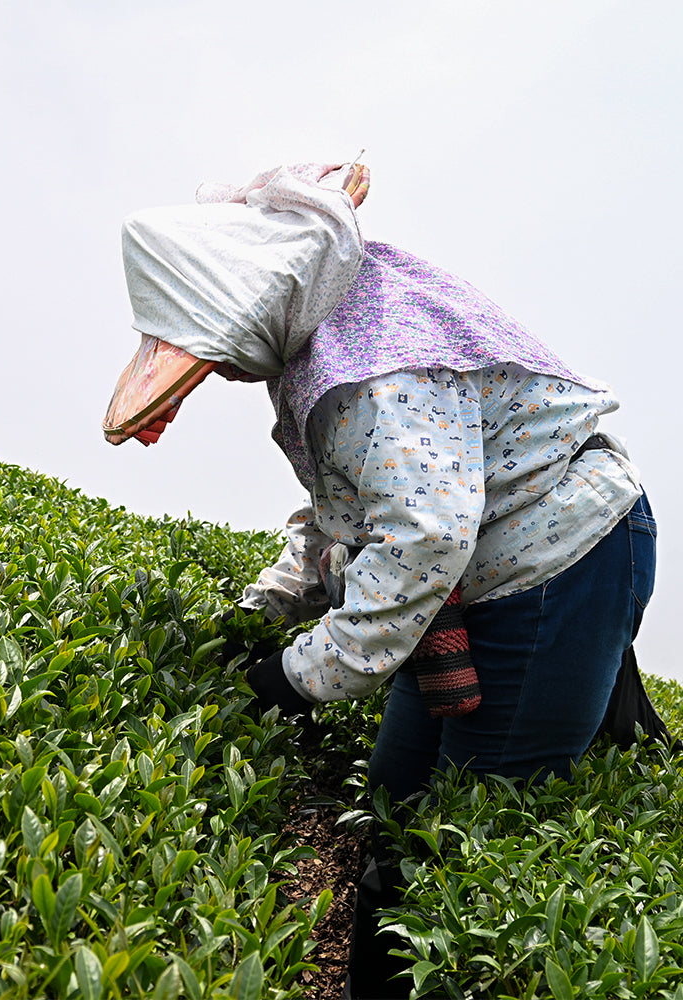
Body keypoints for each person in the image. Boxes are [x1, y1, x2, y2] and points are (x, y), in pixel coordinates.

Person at [101, 161, 657, 998]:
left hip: (555, 568)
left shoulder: (376, 365)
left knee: (473, 821)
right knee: (398, 803)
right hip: (477, 577)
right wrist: (267, 607)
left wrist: (296, 676)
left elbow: (423, 536)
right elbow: (349, 512)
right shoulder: (334, 326)